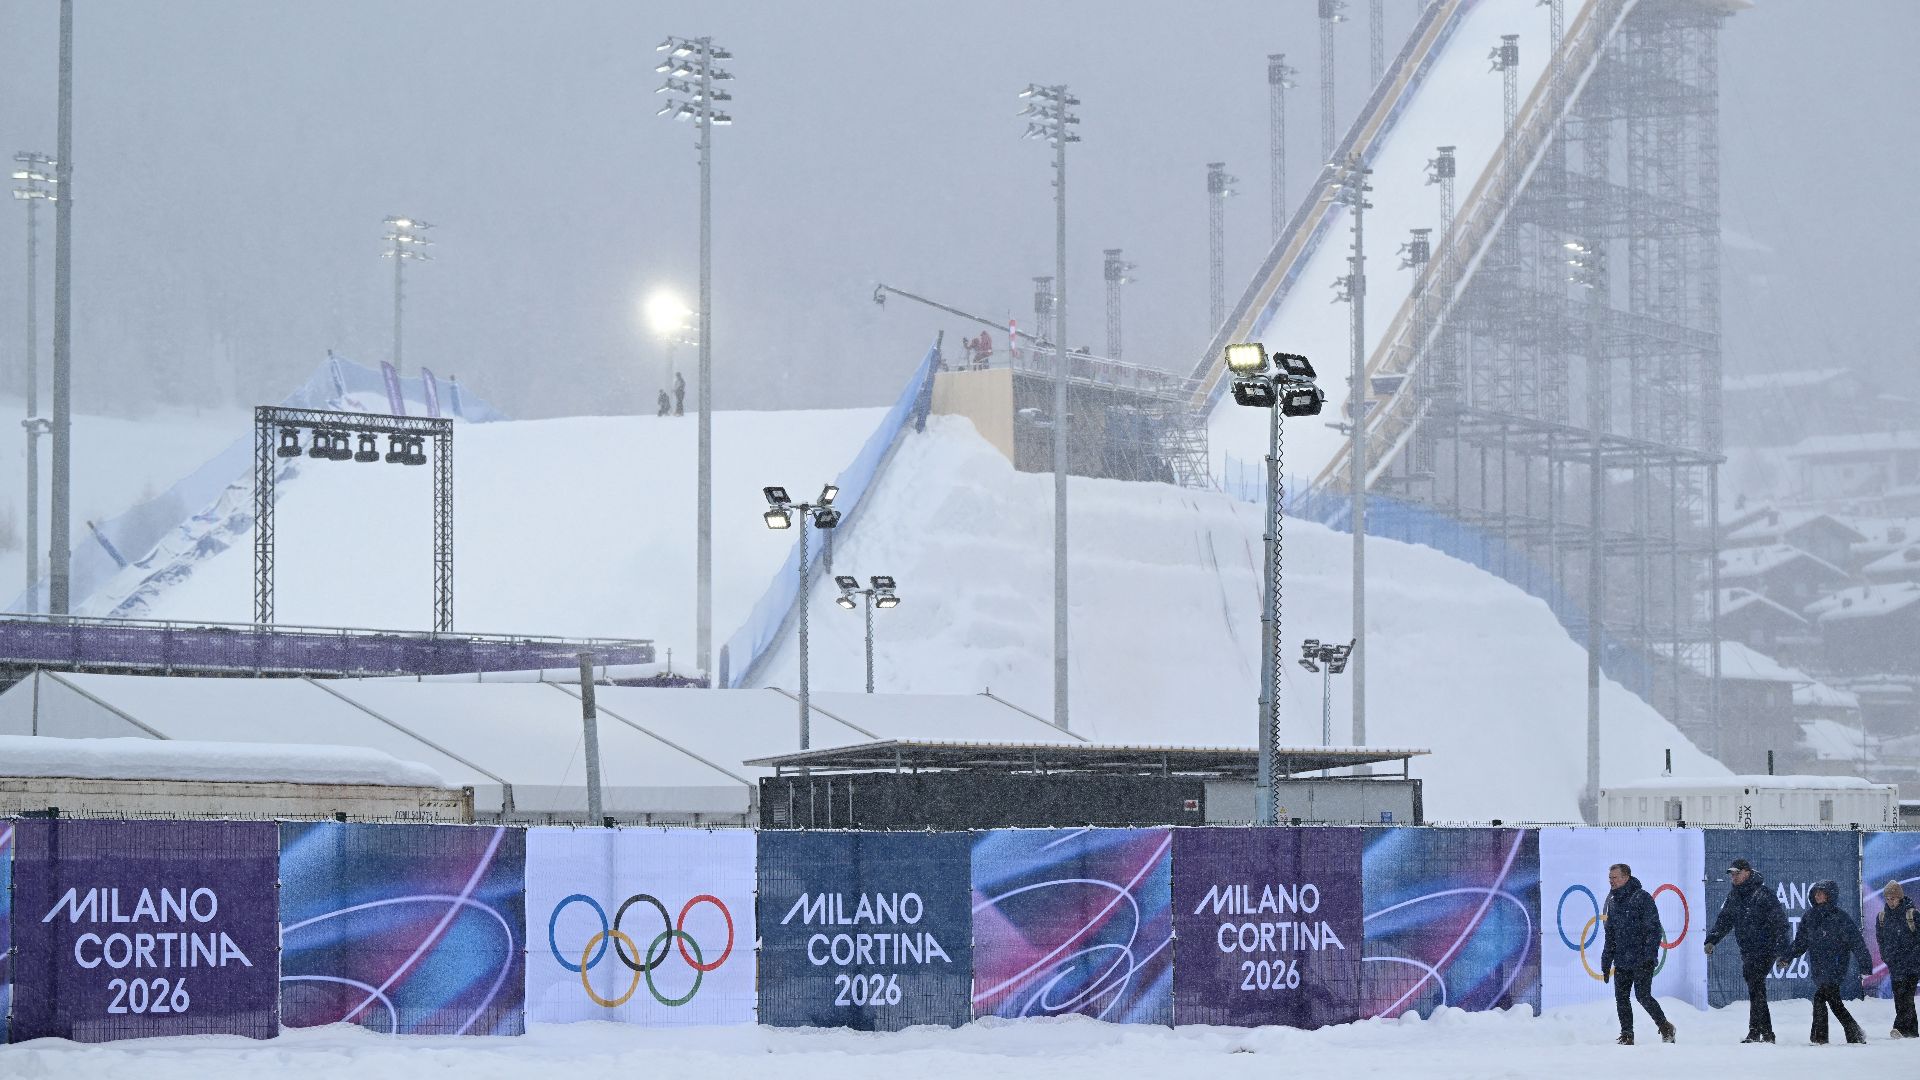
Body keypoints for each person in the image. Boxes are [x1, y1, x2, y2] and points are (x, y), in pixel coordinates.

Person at [1704, 857, 1788, 1043]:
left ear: (1747, 873)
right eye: (1731, 874)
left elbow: (1780, 924)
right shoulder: (1734, 896)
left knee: (1756, 987)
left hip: (1766, 948)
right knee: (1755, 989)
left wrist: (1783, 952)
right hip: (1748, 950)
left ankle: (1764, 1033)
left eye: (1737, 873)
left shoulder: (1763, 894)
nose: (1733, 877)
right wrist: (1712, 940)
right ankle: (1758, 1032)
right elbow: (1724, 920)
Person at [1785, 879, 1873, 1044]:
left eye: (1821, 892)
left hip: (1836, 967)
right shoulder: (1809, 917)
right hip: (1818, 967)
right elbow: (1800, 942)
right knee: (1834, 1002)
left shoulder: (1840, 918)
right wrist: (1787, 957)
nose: (1817, 895)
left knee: (1820, 998)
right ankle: (1853, 1034)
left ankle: (1821, 1038)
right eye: (1816, 892)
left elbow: (1856, 942)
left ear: (1830, 895)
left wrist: (1865, 963)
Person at [1602, 862, 1676, 1045]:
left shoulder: (1642, 898)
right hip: (1621, 959)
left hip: (1642, 958)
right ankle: (1627, 1034)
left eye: (1615, 877)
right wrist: (1606, 960)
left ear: (1626, 877)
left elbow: (1653, 929)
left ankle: (1665, 1026)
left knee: (1643, 996)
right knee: (1621, 998)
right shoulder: (1612, 901)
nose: (1611, 881)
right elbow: (1610, 934)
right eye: (1610, 878)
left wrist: (1650, 955)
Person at [1876, 879, 1920, 1038]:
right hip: (1895, 965)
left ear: (1900, 897)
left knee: (1906, 997)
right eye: (1887, 899)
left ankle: (1899, 1028)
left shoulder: (1912, 914)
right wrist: (1886, 957)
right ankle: (1912, 1032)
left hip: (1913, 965)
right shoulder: (1882, 917)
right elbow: (1880, 940)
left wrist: (1914, 957)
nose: (1890, 902)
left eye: (1893, 898)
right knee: (1900, 998)